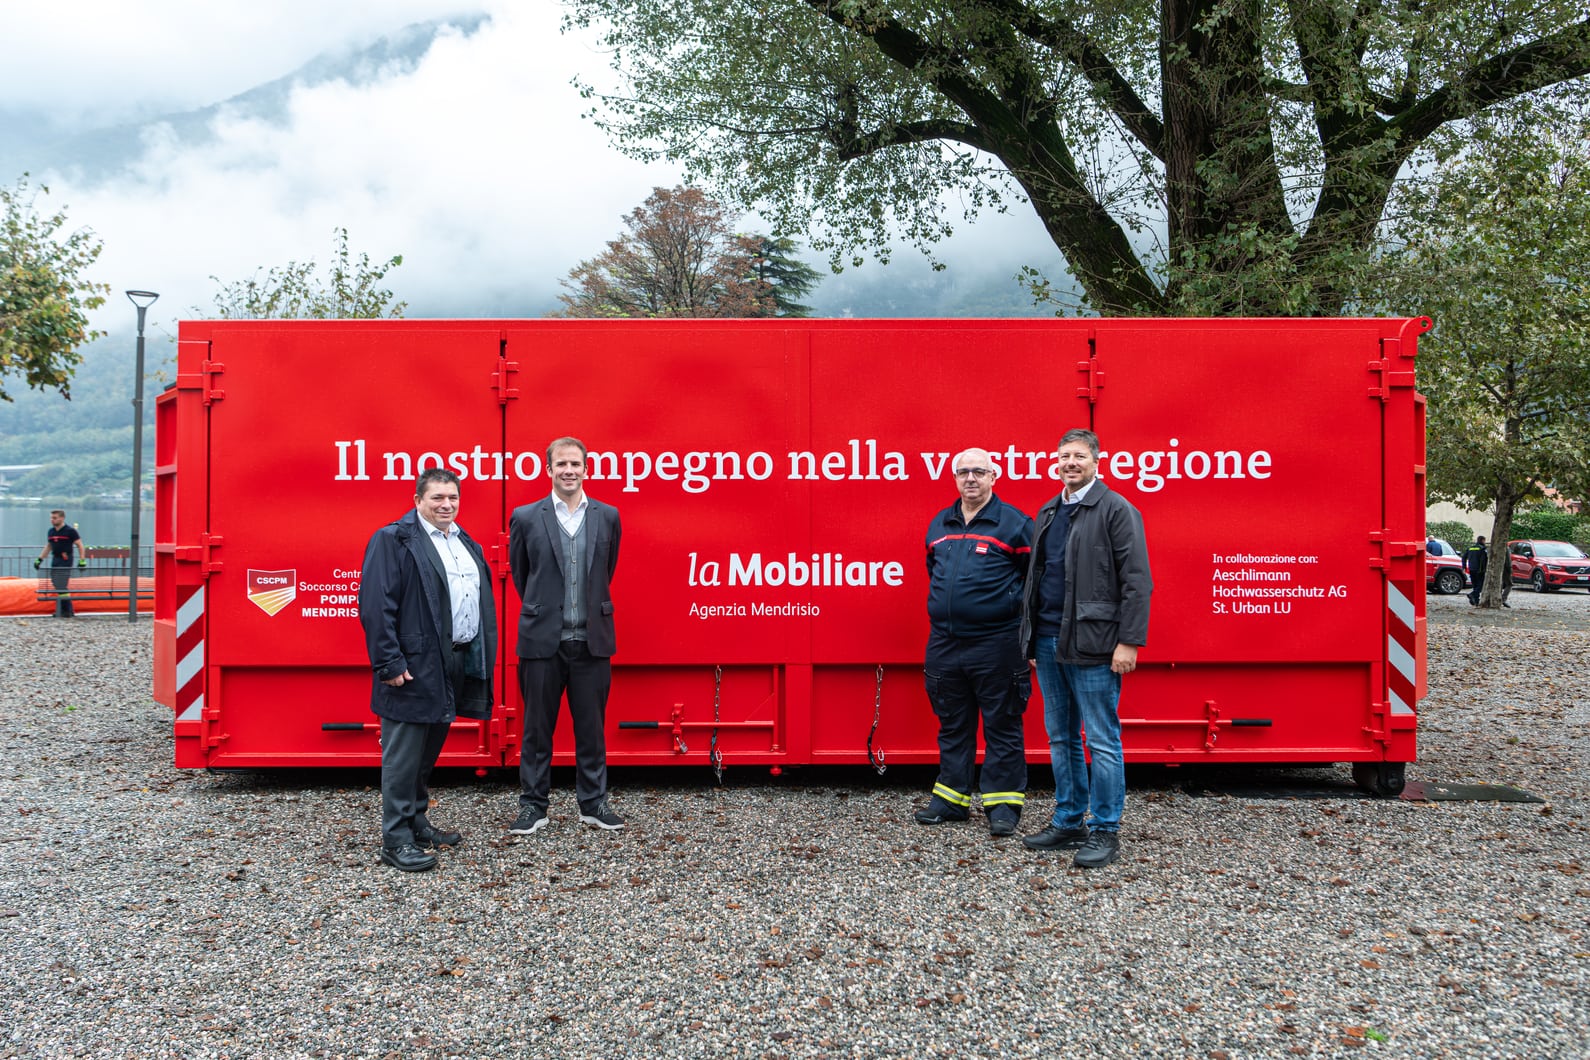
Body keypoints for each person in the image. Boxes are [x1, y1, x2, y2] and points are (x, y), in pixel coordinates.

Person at [1019, 428, 1152, 869]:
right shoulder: (1049, 511)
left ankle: (1105, 830)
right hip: (1050, 640)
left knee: (1101, 739)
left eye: (1078, 456)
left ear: (1097, 460)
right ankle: (1069, 819)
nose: (1070, 463)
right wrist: (1033, 637)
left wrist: (1128, 642)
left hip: (1095, 644)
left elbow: (1137, 581)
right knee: (1060, 738)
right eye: (1063, 456)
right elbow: (1037, 580)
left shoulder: (1116, 509)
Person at [358, 469, 496, 872]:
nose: (446, 505)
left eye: (452, 497)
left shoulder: (461, 539)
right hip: (411, 666)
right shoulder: (394, 539)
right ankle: (396, 839)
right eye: (437, 498)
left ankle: (417, 821)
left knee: (426, 751)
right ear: (418, 500)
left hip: (453, 660)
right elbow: (375, 605)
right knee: (402, 756)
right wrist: (388, 662)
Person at [507, 437, 624, 834]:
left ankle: (593, 804)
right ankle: (533, 807)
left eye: (575, 463)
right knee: (537, 729)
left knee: (591, 728)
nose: (569, 470)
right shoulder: (525, 516)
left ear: (586, 469)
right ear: (549, 470)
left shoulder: (608, 516)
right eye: (561, 464)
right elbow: (523, 576)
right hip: (542, 642)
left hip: (592, 641)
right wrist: (548, 611)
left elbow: (604, 572)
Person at [916, 448, 1034, 837]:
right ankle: (951, 799)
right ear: (954, 478)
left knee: (1002, 724)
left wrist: (1028, 637)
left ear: (994, 477)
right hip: (946, 643)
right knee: (952, 723)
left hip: (997, 642)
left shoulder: (1015, 524)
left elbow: (1034, 582)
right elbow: (935, 571)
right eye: (963, 472)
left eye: (979, 472)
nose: (970, 478)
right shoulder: (940, 523)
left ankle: (1002, 806)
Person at [35, 510, 86, 618]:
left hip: (66, 559)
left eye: (55, 518)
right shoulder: (51, 531)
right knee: (57, 583)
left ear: (62, 518)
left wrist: (82, 560)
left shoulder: (70, 531)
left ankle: (66, 610)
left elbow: (80, 545)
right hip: (56, 559)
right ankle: (67, 610)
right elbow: (48, 546)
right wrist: (40, 559)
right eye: (51, 518)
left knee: (61, 584)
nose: (52, 520)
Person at [1463, 535, 1488, 607]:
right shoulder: (1482, 549)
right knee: (1481, 585)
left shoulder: (1470, 548)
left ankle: (1475, 601)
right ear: (1483, 540)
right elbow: (1484, 560)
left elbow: (1464, 557)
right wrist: (1485, 569)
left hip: (1471, 569)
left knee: (1475, 585)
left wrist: (1464, 567)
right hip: (1479, 570)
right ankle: (1472, 594)